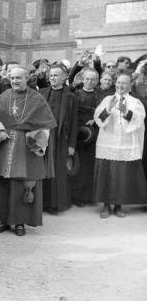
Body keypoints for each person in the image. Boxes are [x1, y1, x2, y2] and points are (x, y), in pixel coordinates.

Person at [0, 67, 56, 236]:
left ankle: (19, 222)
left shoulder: (36, 98)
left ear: (27, 79)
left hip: (27, 146)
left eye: (19, 78)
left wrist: (36, 140)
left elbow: (46, 124)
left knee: (22, 184)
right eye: (12, 78)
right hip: (4, 144)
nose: (15, 81)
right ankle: (2, 220)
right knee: (2, 184)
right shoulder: (4, 96)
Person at [93, 74, 147, 218]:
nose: (120, 85)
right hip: (108, 142)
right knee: (106, 174)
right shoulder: (107, 99)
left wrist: (125, 111)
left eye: (124, 83)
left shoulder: (135, 102)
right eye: (118, 83)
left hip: (126, 143)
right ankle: (105, 205)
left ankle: (118, 206)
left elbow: (139, 119)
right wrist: (108, 109)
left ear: (130, 86)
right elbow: (98, 118)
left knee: (122, 176)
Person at [39, 64, 78, 215]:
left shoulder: (71, 97)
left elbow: (74, 123)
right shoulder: (42, 93)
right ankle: (41, 203)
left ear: (64, 77)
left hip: (61, 138)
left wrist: (72, 145)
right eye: (51, 75)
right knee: (42, 168)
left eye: (56, 75)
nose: (53, 78)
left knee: (57, 171)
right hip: (43, 135)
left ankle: (55, 204)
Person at [69, 68, 102, 206]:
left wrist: (95, 119)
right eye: (87, 79)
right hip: (78, 134)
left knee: (90, 166)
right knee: (78, 166)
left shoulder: (99, 96)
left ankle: (89, 197)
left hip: (93, 134)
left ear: (96, 81)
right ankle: (76, 197)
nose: (89, 82)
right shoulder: (75, 93)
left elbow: (105, 112)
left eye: (92, 79)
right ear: (83, 79)